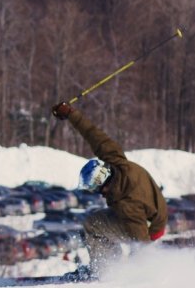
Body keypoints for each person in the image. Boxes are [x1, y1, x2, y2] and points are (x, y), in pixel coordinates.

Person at [51, 102, 168, 276]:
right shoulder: (116, 162)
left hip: (150, 226)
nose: (93, 191)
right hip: (150, 209)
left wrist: (136, 273)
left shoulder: (127, 204)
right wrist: (71, 114)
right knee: (99, 220)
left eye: (92, 186)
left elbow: (141, 241)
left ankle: (105, 272)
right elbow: (95, 136)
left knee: (93, 224)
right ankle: (110, 264)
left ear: (102, 183)